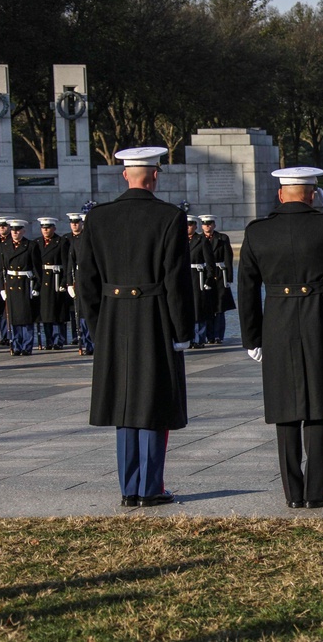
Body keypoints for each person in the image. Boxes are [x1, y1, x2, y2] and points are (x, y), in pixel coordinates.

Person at [238, 166, 323, 510]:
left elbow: (247, 290)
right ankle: (318, 491)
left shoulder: (257, 232)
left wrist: (252, 338)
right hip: (320, 324)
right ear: (313, 194)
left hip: (278, 326)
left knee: (285, 409)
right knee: (320, 407)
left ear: (281, 194)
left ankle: (293, 493)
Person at [78, 146, 194, 508]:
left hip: (113, 316)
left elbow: (87, 282)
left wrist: (99, 327)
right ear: (155, 175)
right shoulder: (169, 217)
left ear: (125, 175)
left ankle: (129, 487)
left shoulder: (98, 218)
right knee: (154, 399)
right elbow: (176, 281)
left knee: (123, 403)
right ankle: (151, 487)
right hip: (154, 315)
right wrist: (182, 331)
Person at [0, 220, 42, 356]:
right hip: (11, 284)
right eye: (13, 230)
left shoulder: (30, 246)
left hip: (25, 284)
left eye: (17, 230)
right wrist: (2, 288)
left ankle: (26, 345)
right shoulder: (5, 246)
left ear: (23, 231)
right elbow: (1, 269)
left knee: (26, 316)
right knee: (14, 317)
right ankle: (16, 344)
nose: (15, 233)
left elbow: (37, 268)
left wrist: (36, 286)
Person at [35, 217, 71, 350]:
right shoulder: (37, 243)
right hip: (43, 279)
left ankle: (58, 340)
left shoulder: (61, 242)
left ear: (54, 228)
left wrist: (64, 282)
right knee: (45, 312)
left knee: (57, 312)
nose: (45, 230)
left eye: (48, 227)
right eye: (43, 228)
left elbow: (66, 264)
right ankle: (48, 340)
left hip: (56, 280)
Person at [199, 214, 235, 344]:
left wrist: (229, 277)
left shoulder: (222, 238)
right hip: (204, 275)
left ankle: (218, 335)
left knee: (220, 306)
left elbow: (228, 258)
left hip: (220, 274)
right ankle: (209, 336)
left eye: (210, 223)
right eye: (205, 224)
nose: (207, 226)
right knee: (206, 306)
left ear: (214, 225)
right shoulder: (199, 239)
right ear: (201, 226)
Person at [63, 212, 93, 355]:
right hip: (81, 280)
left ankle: (95, 343)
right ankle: (88, 344)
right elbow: (71, 264)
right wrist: (70, 283)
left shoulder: (96, 240)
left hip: (95, 280)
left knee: (93, 313)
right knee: (82, 315)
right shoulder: (76, 241)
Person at [186, 215, 216, 348]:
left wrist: (209, 278)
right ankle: (189, 337)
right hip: (185, 277)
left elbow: (209, 262)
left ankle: (199, 338)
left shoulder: (202, 240)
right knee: (187, 309)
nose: (188, 227)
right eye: (186, 224)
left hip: (198, 277)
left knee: (199, 309)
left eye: (191, 224)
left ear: (195, 226)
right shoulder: (180, 240)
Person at [0, 217, 11, 344]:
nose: (2, 228)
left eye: (4, 225)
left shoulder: (13, 240)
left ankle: (7, 335)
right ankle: (0, 334)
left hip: (8, 278)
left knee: (7, 310)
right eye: (0, 226)